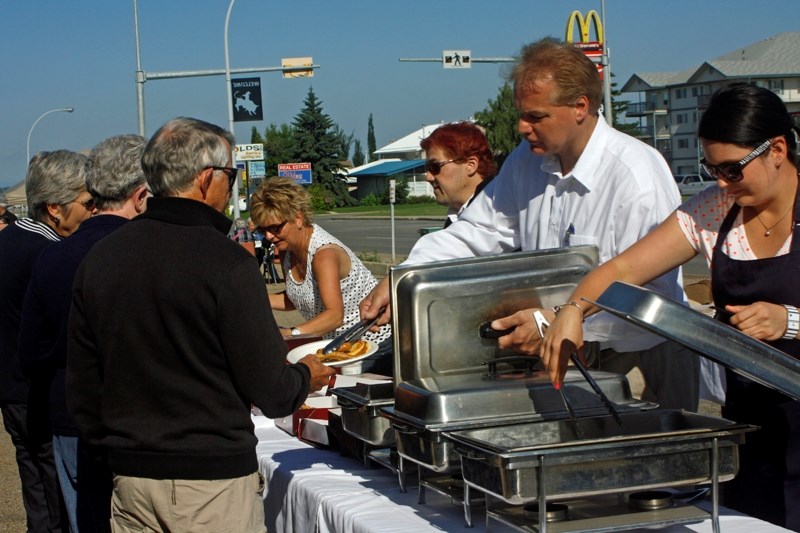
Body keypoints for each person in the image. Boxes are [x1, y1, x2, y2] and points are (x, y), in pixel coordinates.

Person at [361, 37, 700, 411]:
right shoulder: (526, 160)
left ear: (580, 107)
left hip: (639, 358)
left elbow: (648, 293)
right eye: (520, 113)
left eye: (536, 117)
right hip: (562, 349)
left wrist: (558, 321)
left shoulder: (635, 174)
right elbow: (481, 230)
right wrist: (405, 276)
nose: (522, 127)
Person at [540, 82, 800, 530]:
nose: (721, 181)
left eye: (732, 169)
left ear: (776, 149)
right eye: (711, 168)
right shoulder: (717, 209)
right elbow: (622, 268)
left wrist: (789, 320)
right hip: (753, 420)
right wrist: (572, 310)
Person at [66, 117, 334, 533]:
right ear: (207, 179)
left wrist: (117, 451)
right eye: (230, 175)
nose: (230, 187)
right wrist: (306, 375)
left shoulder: (101, 258)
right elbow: (270, 388)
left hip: (130, 478)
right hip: (210, 482)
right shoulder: (225, 263)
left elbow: (83, 386)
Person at [19, 134, 150, 533]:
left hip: (72, 413)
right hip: (144, 418)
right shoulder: (150, 249)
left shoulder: (55, 254)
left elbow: (31, 351)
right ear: (141, 195)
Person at [0, 150, 93, 533]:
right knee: (59, 498)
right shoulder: (48, 253)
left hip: (11, 390)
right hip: (41, 391)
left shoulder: (10, 242)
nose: (91, 211)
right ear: (55, 208)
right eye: (86, 203)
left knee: (37, 493)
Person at [249, 177, 393, 375]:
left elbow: (335, 316)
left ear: (298, 218)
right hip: (337, 345)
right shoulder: (287, 250)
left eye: (275, 228)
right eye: (262, 230)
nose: (268, 237)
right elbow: (297, 298)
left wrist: (291, 333)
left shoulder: (323, 255)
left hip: (370, 345)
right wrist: (252, 300)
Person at [420, 121, 497, 228]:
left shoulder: (500, 214)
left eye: (435, 167)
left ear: (470, 165)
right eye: (427, 168)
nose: (428, 177)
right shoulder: (456, 217)